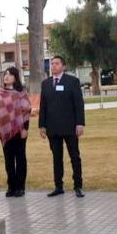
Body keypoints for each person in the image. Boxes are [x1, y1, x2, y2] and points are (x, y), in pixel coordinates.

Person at [39, 56, 86, 198]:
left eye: (56, 63)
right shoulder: (46, 83)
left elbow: (79, 104)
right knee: (56, 158)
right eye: (52, 64)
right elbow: (43, 106)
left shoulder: (72, 82)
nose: (53, 66)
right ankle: (58, 186)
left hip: (70, 127)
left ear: (63, 66)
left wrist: (80, 123)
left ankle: (78, 185)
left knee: (74, 157)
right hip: (53, 128)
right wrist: (42, 125)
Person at [0, 66, 32, 197]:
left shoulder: (21, 92)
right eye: (5, 74)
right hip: (5, 132)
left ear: (15, 77)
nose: (6, 76)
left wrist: (25, 129)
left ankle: (20, 187)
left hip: (20, 131)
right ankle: (11, 186)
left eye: (10, 74)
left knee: (20, 159)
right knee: (8, 159)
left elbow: (26, 111)